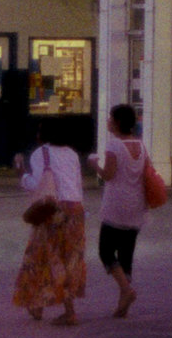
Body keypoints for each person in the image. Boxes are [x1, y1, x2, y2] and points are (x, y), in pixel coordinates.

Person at [12, 117, 87, 325]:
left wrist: (21, 172)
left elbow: (36, 184)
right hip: (75, 210)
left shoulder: (41, 153)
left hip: (52, 210)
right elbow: (78, 184)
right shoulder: (72, 154)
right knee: (70, 260)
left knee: (39, 257)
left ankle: (37, 305)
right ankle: (69, 310)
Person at [93, 102, 152, 318]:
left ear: (117, 122)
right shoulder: (141, 146)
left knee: (106, 252)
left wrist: (94, 166)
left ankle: (126, 291)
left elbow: (108, 175)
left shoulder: (114, 146)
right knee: (126, 255)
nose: (108, 121)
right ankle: (122, 304)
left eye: (110, 117)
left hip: (116, 207)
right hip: (137, 207)